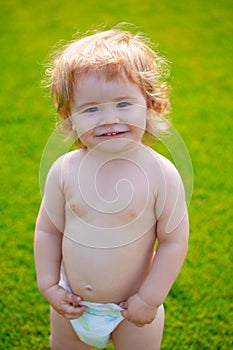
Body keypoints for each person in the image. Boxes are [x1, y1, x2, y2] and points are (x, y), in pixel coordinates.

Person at [34, 26, 189, 350]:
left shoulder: (161, 174)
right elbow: (49, 231)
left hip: (130, 308)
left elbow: (173, 242)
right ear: (69, 118)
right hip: (72, 303)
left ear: (150, 105)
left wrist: (149, 299)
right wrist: (49, 285)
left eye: (123, 104)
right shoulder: (65, 170)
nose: (107, 119)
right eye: (91, 109)